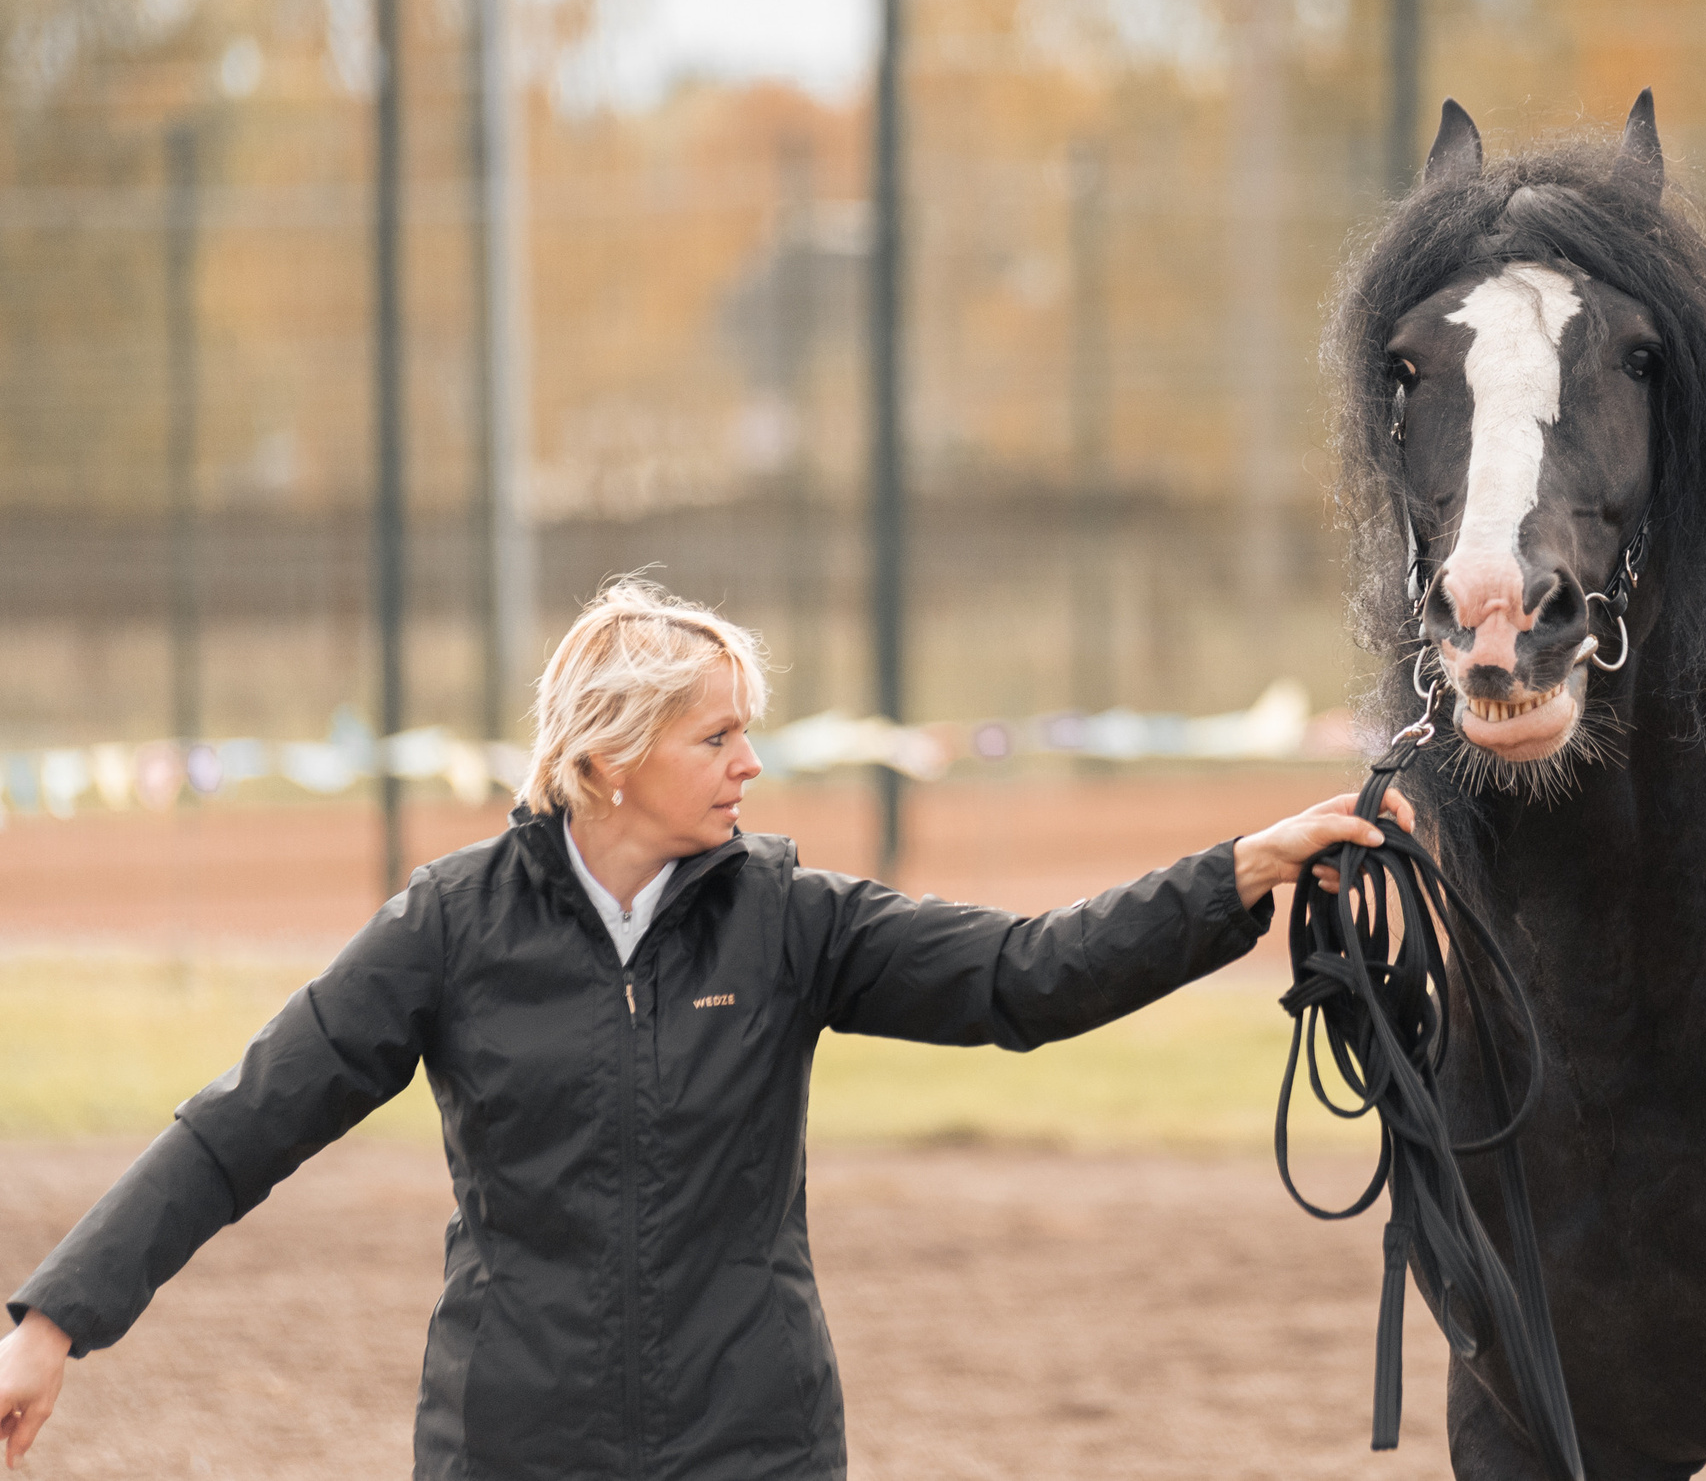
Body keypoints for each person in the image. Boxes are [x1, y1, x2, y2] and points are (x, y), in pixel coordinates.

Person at [0, 579, 1407, 1479]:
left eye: (750, 732)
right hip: (514, 1450)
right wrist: (53, 1316)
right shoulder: (450, 925)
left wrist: (1238, 872)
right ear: (603, 760)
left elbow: (1025, 975)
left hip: (759, 1445)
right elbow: (240, 1125)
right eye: (715, 736)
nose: (750, 763)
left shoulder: (789, 918)